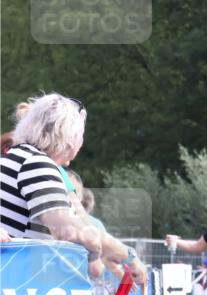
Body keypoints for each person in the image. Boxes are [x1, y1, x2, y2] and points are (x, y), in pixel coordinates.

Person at [1, 94, 146, 285]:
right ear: (72, 141)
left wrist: (126, 256)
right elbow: (68, 230)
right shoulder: (37, 164)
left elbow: (81, 223)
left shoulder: (16, 159)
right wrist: (95, 247)